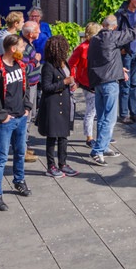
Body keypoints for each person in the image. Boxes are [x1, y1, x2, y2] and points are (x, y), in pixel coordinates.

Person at [88, 11, 136, 166]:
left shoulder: (94, 40)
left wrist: (119, 69)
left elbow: (104, 59)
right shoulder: (113, 37)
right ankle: (97, 151)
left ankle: (103, 147)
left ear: (103, 25)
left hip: (98, 83)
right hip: (109, 84)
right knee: (109, 120)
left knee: (102, 117)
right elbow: (132, 33)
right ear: (115, 27)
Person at [0, 33, 33, 209]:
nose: (24, 49)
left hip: (21, 117)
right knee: (1, 158)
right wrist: (2, 116)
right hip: (5, 121)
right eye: (21, 46)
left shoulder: (20, 65)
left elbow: (26, 87)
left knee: (20, 152)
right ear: (12, 49)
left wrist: (27, 107)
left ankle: (19, 181)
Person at [37, 35, 78, 178]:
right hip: (53, 106)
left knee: (63, 136)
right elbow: (46, 87)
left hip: (65, 104)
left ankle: (63, 164)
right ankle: (50, 166)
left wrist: (72, 83)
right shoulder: (48, 66)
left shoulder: (64, 63)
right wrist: (64, 83)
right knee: (52, 137)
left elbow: (67, 79)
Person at [67, 22, 101, 146]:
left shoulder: (100, 46)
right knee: (91, 111)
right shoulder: (82, 48)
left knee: (100, 111)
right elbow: (71, 64)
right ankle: (89, 137)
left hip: (99, 82)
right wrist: (74, 80)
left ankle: (102, 136)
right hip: (87, 83)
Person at [20, 21, 45, 164]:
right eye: (37, 31)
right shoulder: (23, 47)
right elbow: (23, 69)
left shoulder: (29, 44)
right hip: (29, 86)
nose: (39, 33)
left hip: (34, 84)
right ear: (30, 34)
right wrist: (35, 62)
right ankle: (22, 151)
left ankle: (24, 146)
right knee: (27, 116)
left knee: (32, 114)